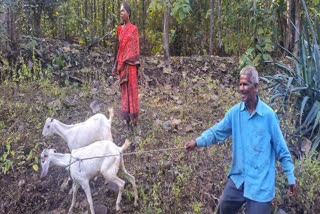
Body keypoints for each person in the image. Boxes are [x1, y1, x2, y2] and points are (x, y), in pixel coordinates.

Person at [185, 66, 297, 214]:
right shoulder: (235, 113)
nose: (242, 88)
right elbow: (216, 132)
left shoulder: (268, 116)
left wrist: (290, 176)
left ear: (256, 87)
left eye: (246, 84)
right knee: (223, 206)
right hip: (239, 179)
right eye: (240, 84)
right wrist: (197, 142)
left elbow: (282, 149)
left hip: (260, 184)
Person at [113, 2, 140, 131]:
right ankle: (126, 120)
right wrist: (115, 65)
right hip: (122, 66)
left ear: (128, 13)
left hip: (131, 66)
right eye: (120, 11)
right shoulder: (119, 29)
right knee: (124, 93)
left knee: (132, 92)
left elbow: (134, 48)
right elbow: (119, 48)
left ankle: (134, 121)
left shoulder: (133, 29)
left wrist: (127, 59)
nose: (121, 13)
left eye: (123, 11)